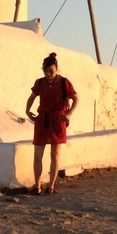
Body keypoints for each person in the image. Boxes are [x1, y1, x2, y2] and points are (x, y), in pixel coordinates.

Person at [25, 52, 78, 195]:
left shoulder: (63, 82)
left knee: (55, 154)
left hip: (57, 121)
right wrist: (27, 110)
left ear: (56, 69)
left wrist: (69, 113)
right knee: (37, 155)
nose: (49, 74)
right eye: (46, 71)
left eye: (51, 71)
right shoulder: (40, 82)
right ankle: (37, 186)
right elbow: (32, 97)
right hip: (42, 120)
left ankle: (51, 186)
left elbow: (75, 98)